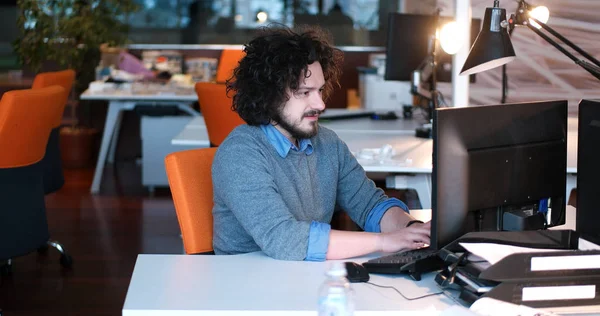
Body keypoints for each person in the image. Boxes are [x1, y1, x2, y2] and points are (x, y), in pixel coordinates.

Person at [212, 25, 430, 261]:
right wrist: (385, 241)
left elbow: (369, 205)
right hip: (244, 284)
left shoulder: (327, 143)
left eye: (320, 90)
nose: (320, 104)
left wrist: (411, 231)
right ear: (268, 95)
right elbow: (284, 239)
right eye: (305, 93)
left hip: (304, 277)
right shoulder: (240, 154)